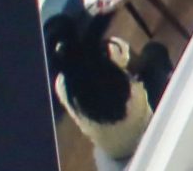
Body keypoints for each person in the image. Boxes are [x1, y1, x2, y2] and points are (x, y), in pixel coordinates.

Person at [45, 13, 172, 162]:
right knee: (154, 51)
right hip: (146, 125)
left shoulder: (60, 86)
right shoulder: (109, 50)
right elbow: (140, 66)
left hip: (117, 151)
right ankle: (173, 91)